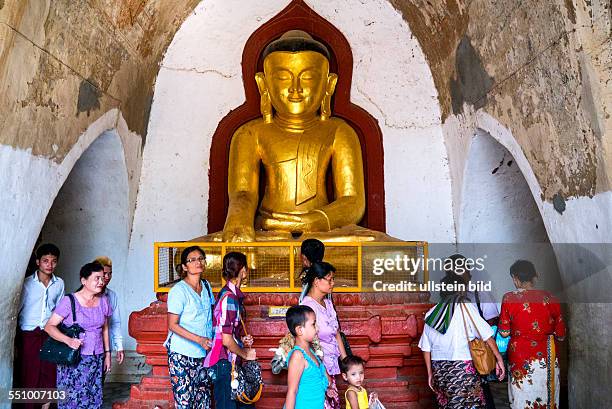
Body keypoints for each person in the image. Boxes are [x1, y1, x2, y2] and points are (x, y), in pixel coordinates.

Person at [418, 274, 505, 409]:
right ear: (460, 290)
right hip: (462, 369)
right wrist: (499, 358)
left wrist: (430, 373)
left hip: (439, 370)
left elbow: (426, 348)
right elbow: (486, 335)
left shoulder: (432, 313)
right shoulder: (465, 308)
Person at [498, 260, 566, 409]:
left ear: (515, 277)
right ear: (534, 277)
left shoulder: (509, 298)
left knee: (521, 397)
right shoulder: (550, 298)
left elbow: (504, 333)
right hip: (546, 356)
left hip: (520, 356)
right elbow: (561, 334)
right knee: (546, 394)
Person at [45, 262, 112, 409]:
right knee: (73, 398)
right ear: (84, 281)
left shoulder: (104, 301)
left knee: (94, 397)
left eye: (103, 278)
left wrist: (107, 354)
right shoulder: (69, 301)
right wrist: (68, 340)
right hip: (74, 359)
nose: (101, 282)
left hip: (97, 358)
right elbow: (49, 327)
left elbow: (105, 328)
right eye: (97, 278)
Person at [204, 252, 257, 408]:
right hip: (225, 362)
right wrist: (245, 353)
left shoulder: (230, 295)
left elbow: (229, 333)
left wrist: (241, 341)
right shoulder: (230, 298)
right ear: (243, 270)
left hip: (230, 361)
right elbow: (226, 339)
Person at [164, 246, 215, 409]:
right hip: (182, 354)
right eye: (192, 260)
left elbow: (211, 317)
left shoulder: (206, 286)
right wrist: (199, 339)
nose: (197, 262)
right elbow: (172, 325)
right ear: (185, 267)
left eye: (200, 258)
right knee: (185, 401)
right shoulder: (178, 291)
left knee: (204, 400)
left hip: (204, 354)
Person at [447, 253, 500, 409]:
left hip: (475, 351)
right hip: (463, 353)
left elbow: (491, 322)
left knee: (477, 391)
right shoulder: (450, 296)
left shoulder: (478, 293)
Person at [16, 243, 65, 409]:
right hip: (29, 335)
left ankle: (47, 407)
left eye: (53, 261)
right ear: (38, 262)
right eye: (45, 261)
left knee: (49, 374)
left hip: (50, 335)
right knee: (29, 374)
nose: (49, 265)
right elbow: (16, 311)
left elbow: (60, 311)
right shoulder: (26, 284)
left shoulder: (59, 284)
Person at [300, 261, 345, 409]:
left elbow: (336, 332)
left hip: (331, 365)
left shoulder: (328, 303)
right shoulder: (307, 307)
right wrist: (322, 371)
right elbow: (307, 343)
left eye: (333, 279)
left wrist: (345, 362)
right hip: (318, 370)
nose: (333, 283)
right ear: (316, 281)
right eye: (329, 279)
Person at [284, 305, 329, 409]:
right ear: (300, 330)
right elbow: (292, 392)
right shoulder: (298, 356)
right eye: (313, 324)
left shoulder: (312, 353)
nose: (317, 328)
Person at [94, 256, 124, 365]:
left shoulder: (111, 295)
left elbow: (115, 322)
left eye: (110, 273)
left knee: (101, 378)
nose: (107, 277)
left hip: (105, 345)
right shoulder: (83, 295)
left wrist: (119, 346)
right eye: (104, 273)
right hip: (86, 347)